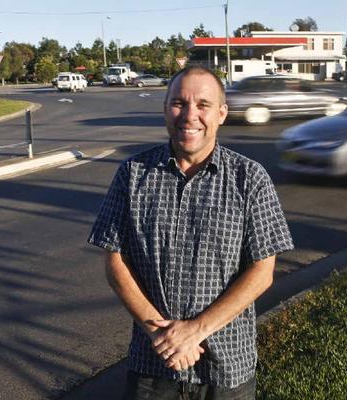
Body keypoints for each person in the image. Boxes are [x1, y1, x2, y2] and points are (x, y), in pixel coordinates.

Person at [88, 66, 294, 399]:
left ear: (222, 113)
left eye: (203, 104)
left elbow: (262, 271)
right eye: (179, 103)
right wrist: (160, 334)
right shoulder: (132, 174)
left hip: (226, 370)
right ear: (165, 109)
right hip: (153, 365)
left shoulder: (250, 178)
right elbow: (115, 260)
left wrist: (195, 331)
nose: (190, 115)